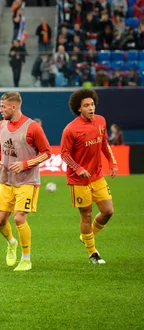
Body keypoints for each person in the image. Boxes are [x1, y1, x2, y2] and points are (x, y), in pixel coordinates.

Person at [0, 92, 51, 272]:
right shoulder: (1, 125)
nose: (0, 109)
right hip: (6, 180)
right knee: (0, 221)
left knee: (19, 218)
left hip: (27, 181)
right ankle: (12, 243)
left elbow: (46, 152)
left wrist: (25, 164)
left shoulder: (32, 127)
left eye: (3, 106)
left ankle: (26, 259)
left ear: (14, 107)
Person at [61, 88, 117, 264]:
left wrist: (112, 162)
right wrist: (78, 169)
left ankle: (87, 236)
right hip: (78, 180)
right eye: (86, 105)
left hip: (97, 176)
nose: (91, 108)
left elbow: (104, 143)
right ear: (79, 109)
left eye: (92, 104)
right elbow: (64, 154)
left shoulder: (101, 121)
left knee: (108, 211)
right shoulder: (71, 130)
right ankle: (93, 252)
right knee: (86, 214)